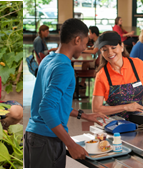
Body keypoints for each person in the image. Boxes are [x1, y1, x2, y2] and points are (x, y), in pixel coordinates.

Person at [25, 18, 107, 168]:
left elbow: (54, 103)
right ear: (77, 40)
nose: (85, 47)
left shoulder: (47, 60)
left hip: (33, 136)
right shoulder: (65, 68)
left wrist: (84, 115)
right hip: (47, 140)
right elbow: (46, 108)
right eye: (85, 43)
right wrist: (70, 144)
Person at [91, 31, 143, 124]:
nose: (110, 53)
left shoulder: (138, 64)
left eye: (113, 47)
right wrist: (126, 107)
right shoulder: (102, 75)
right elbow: (96, 109)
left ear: (121, 47)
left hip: (140, 120)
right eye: (104, 49)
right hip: (114, 125)